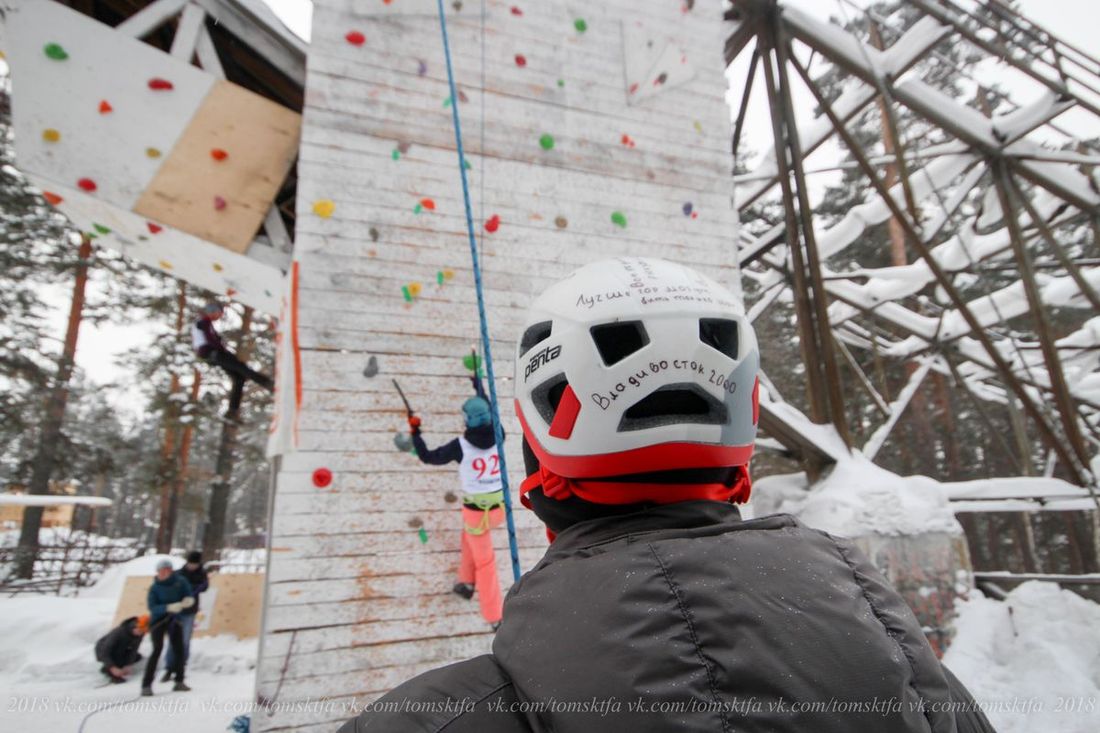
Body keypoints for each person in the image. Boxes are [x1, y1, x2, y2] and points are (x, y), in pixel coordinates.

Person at [337, 258, 996, 733]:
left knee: (477, 556)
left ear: (538, 457)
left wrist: (422, 436)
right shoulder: (921, 687)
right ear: (739, 451)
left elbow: (436, 453)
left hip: (480, 515)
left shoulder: (427, 718)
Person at [408, 374, 505, 629]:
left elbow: (428, 457)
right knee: (469, 536)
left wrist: (415, 432)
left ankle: (494, 615)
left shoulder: (460, 446)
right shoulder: (500, 433)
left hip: (476, 512)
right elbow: (490, 406)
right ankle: (465, 582)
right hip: (498, 510)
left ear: (467, 420)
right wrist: (478, 385)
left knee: (486, 561)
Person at [192, 301, 274, 412]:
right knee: (241, 368)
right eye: (220, 313)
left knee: (239, 378)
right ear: (213, 312)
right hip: (213, 353)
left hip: (211, 355)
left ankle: (232, 411)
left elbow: (212, 339)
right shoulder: (204, 321)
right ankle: (268, 383)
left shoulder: (204, 323)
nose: (220, 316)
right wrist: (223, 350)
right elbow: (210, 339)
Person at [141, 558, 194, 696]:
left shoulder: (180, 582)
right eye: (162, 571)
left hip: (175, 620)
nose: (165, 573)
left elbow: (188, 593)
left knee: (179, 649)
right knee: (157, 649)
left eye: (167, 570)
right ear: (158, 572)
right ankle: (146, 685)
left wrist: (188, 600)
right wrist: (167, 607)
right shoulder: (155, 587)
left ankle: (179, 681)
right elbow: (152, 607)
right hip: (159, 621)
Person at [162, 550, 209, 682]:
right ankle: (169, 667)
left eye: (194, 564)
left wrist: (191, 590)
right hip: (177, 610)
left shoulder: (202, 574)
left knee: (185, 640)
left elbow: (204, 587)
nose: (192, 566)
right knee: (173, 640)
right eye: (190, 564)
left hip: (190, 611)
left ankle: (180, 666)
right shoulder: (179, 573)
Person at [94, 614, 148, 683]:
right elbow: (105, 652)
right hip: (103, 650)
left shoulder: (139, 634)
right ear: (134, 627)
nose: (140, 634)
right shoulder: (119, 633)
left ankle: (114, 666)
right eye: (140, 631)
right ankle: (108, 670)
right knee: (117, 660)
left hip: (122, 649)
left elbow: (134, 650)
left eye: (143, 632)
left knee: (137, 657)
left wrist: (128, 664)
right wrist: (112, 668)